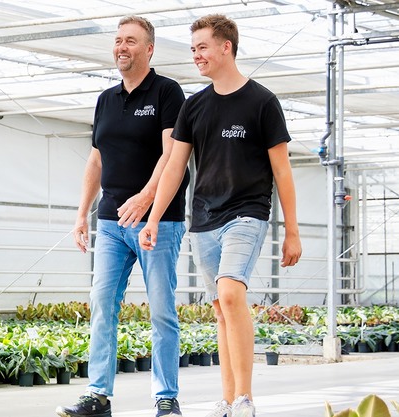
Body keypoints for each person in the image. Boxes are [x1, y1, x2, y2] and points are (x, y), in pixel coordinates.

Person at [138, 14, 302, 417]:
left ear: (226, 47)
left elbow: (282, 171)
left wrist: (292, 231)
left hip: (247, 213)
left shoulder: (262, 102)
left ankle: (245, 398)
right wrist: (154, 217)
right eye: (193, 49)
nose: (196, 55)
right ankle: (227, 400)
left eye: (203, 47)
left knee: (230, 294)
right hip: (204, 220)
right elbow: (174, 167)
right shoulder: (194, 106)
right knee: (220, 309)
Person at [55, 15, 190, 417]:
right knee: (102, 303)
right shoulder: (106, 100)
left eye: (130, 40)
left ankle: (166, 396)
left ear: (149, 49)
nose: (121, 47)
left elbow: (172, 155)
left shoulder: (167, 92)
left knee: (161, 309)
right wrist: (82, 214)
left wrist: (146, 199)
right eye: (117, 40)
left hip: (158, 221)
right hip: (112, 222)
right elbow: (96, 159)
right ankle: (98, 395)